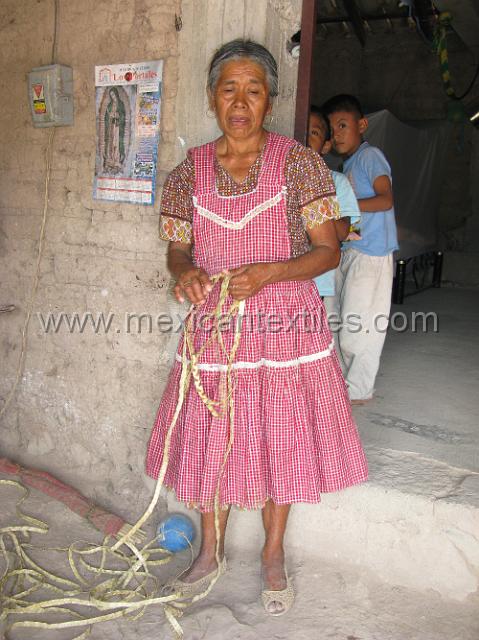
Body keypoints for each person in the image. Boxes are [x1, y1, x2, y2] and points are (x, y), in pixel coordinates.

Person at [146, 41, 368, 616]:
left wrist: (272, 271)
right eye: (229, 89)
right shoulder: (187, 172)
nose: (240, 102)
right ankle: (211, 549)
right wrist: (186, 273)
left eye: (254, 90)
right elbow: (177, 250)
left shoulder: (300, 163)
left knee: (280, 440)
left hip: (285, 328)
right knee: (212, 439)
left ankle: (272, 554)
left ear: (270, 101)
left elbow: (327, 252)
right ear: (212, 96)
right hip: (216, 328)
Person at [321, 94, 398, 404]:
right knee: (342, 320)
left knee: (361, 327)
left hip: (373, 253)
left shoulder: (370, 156)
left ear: (362, 124)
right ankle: (346, 386)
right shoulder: (347, 165)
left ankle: (359, 389)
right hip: (353, 249)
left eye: (343, 125)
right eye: (331, 127)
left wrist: (343, 205)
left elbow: (386, 199)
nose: (336, 133)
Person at [307, 105, 361, 303]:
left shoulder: (337, 182)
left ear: (326, 145)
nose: (305, 137)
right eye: (301, 129)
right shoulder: (276, 178)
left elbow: (345, 231)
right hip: (279, 278)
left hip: (316, 280)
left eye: (314, 132)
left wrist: (312, 205)